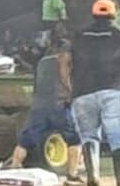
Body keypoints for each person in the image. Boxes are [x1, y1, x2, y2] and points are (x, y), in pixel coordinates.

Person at [60, 0, 120, 186]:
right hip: (113, 90)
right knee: (118, 138)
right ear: (113, 15)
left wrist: (69, 87)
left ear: (93, 14)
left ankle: (93, 178)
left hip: (83, 93)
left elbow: (63, 61)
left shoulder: (78, 36)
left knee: (89, 137)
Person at [7, 28, 76, 173]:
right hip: (58, 104)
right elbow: (64, 76)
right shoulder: (63, 57)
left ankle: (15, 165)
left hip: (38, 105)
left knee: (26, 139)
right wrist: (71, 92)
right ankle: (72, 173)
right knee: (73, 138)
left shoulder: (42, 62)